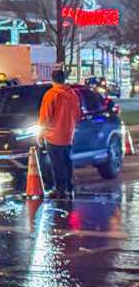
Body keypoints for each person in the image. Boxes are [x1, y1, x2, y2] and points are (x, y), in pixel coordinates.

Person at [38, 69, 81, 198]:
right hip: (68, 135)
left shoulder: (51, 94)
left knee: (56, 163)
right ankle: (69, 186)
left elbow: (45, 116)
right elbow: (78, 114)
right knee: (67, 162)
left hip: (53, 135)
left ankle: (59, 189)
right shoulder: (72, 94)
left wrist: (40, 134)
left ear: (53, 79)